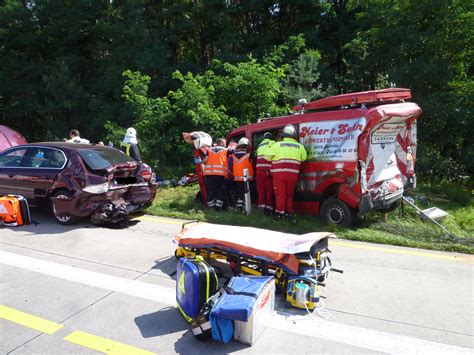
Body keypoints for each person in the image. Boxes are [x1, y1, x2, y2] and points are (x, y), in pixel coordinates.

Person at [268, 124, 307, 222]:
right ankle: (289, 212)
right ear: (294, 135)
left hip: (279, 175)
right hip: (293, 175)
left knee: (280, 195)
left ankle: (280, 213)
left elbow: (267, 156)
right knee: (290, 194)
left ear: (283, 134)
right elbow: (304, 158)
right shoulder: (300, 146)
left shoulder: (276, 145)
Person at [202, 138, 228, 211]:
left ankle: (211, 207)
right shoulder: (226, 150)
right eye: (224, 143)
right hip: (219, 174)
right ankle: (218, 207)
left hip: (208, 174)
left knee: (210, 191)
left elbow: (205, 160)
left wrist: (199, 162)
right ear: (221, 143)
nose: (225, 145)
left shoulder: (209, 150)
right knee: (220, 190)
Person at [229, 137, 254, 211]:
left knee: (240, 193)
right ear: (247, 145)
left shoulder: (233, 154)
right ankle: (246, 208)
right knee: (247, 193)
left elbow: (230, 165)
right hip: (247, 177)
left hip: (237, 178)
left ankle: (239, 207)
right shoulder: (249, 154)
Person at [255, 132, 275, 215]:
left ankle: (261, 207)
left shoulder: (259, 145)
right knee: (269, 190)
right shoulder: (273, 143)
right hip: (267, 171)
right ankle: (268, 208)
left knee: (261, 190)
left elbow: (256, 155)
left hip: (259, 171)